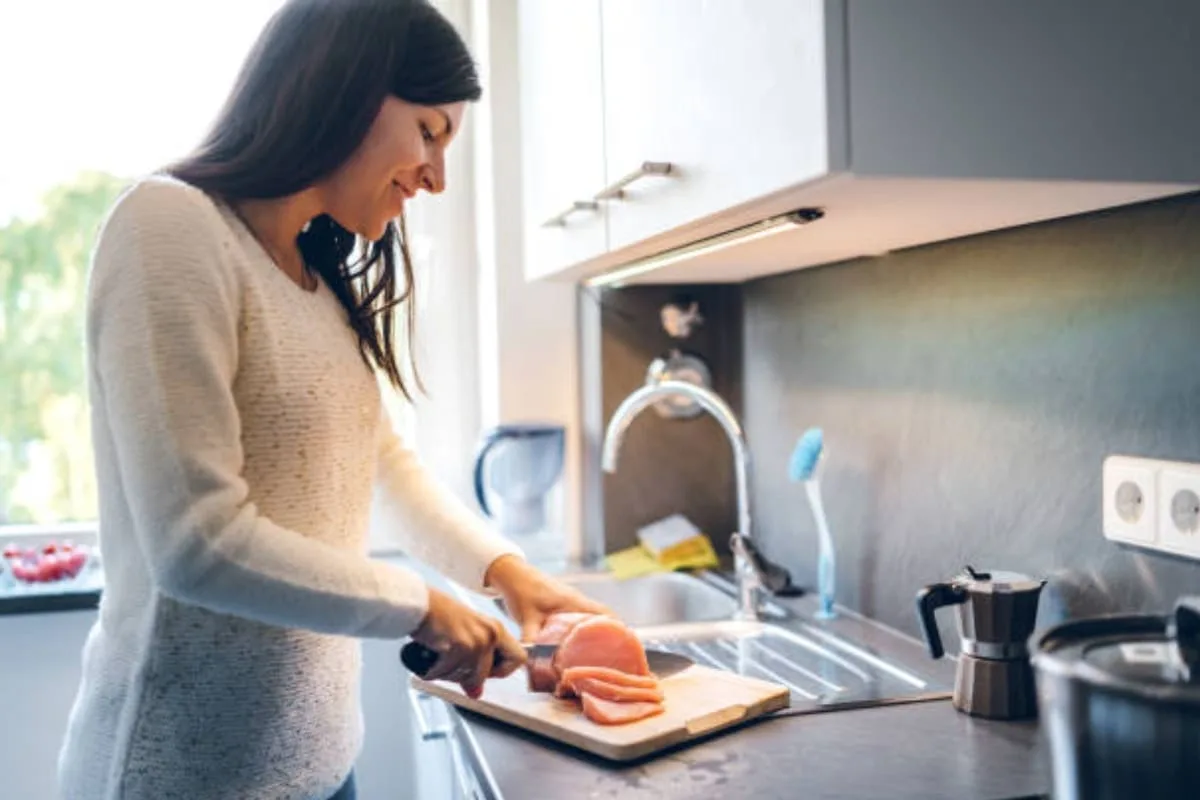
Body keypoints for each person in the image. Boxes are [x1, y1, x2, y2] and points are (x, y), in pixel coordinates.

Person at [56, 1, 608, 798]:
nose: (436, 177)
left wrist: (505, 572)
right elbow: (196, 543)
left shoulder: (317, 274)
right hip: (183, 777)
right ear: (346, 90)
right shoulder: (168, 226)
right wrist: (419, 605)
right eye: (429, 132)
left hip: (323, 763)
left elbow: (382, 462)